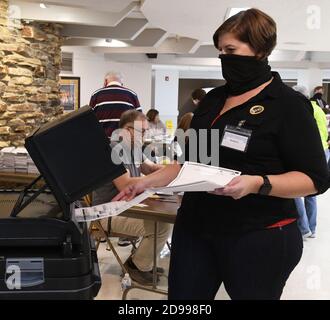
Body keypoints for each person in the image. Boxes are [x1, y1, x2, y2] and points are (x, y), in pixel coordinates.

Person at [114, 8, 330, 300]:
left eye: (231, 50)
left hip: (258, 235)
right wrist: (144, 183)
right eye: (220, 51)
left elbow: (315, 179)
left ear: (261, 50)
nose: (223, 58)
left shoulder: (288, 106)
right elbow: (188, 163)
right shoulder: (213, 99)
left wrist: (256, 183)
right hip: (195, 228)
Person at [92, 110, 171, 286]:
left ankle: (143, 261)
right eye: (142, 131)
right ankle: (137, 265)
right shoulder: (113, 150)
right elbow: (125, 184)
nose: (145, 135)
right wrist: (156, 179)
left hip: (126, 207)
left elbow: (150, 168)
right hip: (107, 213)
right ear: (127, 130)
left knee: (162, 222)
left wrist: (172, 172)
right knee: (161, 227)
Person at [292, 85, 330, 239]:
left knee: (293, 191)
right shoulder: (318, 109)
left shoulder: (300, 109)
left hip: (308, 153)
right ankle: (311, 229)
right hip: (323, 150)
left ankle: (303, 228)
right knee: (311, 191)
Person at [89, 71, 142, 138]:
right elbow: (140, 121)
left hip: (102, 141)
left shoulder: (96, 95)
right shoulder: (132, 94)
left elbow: (90, 121)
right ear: (121, 83)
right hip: (125, 141)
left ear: (105, 81)